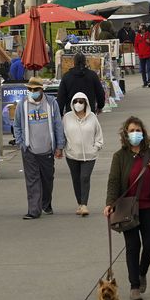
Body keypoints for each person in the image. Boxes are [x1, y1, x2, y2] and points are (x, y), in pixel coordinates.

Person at [103, 116, 150, 300]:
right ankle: (134, 285)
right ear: (125, 134)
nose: (135, 134)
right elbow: (113, 181)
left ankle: (142, 272)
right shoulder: (119, 156)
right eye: (131, 131)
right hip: (128, 209)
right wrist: (109, 203)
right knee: (133, 246)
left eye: (138, 130)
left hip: (149, 207)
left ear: (144, 133)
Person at [13, 77, 65, 219]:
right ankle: (34, 210)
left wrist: (59, 146)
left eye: (35, 89)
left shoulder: (51, 103)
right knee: (32, 181)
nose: (32, 92)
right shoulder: (22, 105)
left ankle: (46, 204)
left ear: (42, 89)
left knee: (47, 180)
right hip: (29, 150)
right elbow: (16, 125)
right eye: (29, 89)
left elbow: (58, 125)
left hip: (47, 149)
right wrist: (21, 143)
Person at [62, 91, 104, 216]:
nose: (78, 104)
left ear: (86, 103)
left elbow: (99, 135)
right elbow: (62, 134)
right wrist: (62, 148)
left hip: (90, 155)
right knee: (76, 179)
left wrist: (96, 147)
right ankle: (80, 204)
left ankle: (84, 204)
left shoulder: (92, 117)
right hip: (72, 155)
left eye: (81, 101)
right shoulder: (67, 117)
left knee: (84, 177)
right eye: (75, 101)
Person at [134, 23, 150, 88]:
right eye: (140, 29)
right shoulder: (137, 36)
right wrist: (137, 52)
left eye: (142, 29)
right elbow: (135, 45)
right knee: (143, 69)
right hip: (141, 55)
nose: (141, 30)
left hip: (148, 54)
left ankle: (149, 81)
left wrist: (149, 41)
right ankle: (144, 82)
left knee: (149, 68)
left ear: (144, 29)